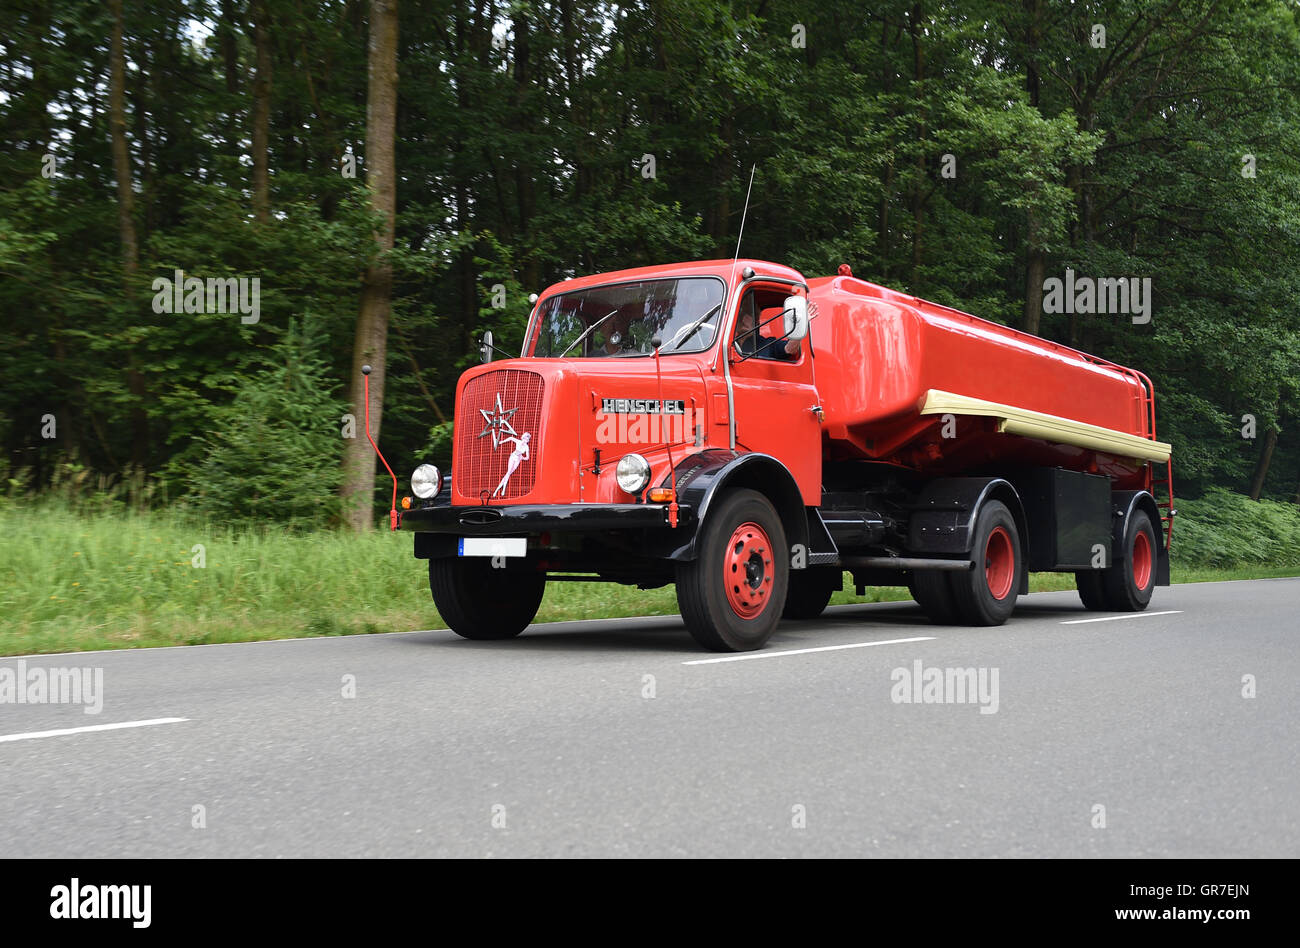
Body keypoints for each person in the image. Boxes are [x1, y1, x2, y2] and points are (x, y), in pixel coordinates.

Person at [734, 293, 800, 360]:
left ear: (757, 322)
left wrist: (799, 324)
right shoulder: (728, 343)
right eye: (741, 316)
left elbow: (790, 349)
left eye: (749, 315)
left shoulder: (767, 344)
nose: (743, 320)